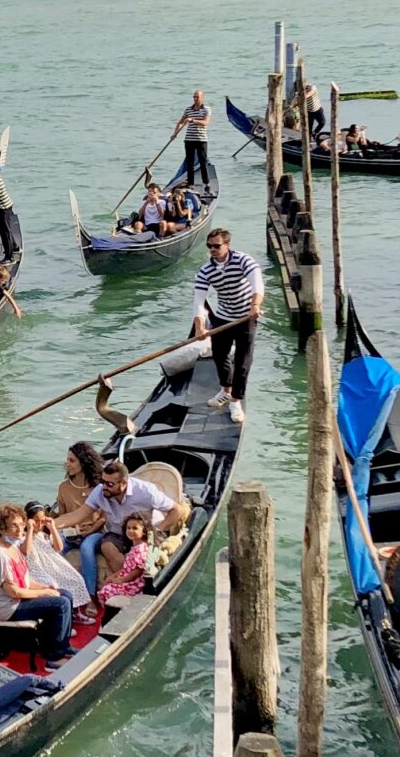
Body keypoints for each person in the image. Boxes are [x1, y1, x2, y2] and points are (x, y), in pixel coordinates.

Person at [55, 454, 174, 599]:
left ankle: (141, 584)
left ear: (123, 483)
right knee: (107, 546)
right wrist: (50, 524)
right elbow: (76, 516)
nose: (104, 487)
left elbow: (177, 510)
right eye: (103, 481)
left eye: (110, 484)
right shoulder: (99, 492)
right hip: (118, 533)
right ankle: (126, 585)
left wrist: (158, 531)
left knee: (145, 554)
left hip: (145, 533)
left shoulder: (146, 491)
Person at [0, 503, 75, 662]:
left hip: (19, 598)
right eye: (14, 526)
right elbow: (14, 592)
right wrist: (43, 593)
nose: (20, 529)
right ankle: (53, 657)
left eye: (21, 524)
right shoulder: (0, 555)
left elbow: (24, 580)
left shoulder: (12, 546)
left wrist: (44, 587)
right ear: (2, 529)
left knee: (65, 594)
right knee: (60, 604)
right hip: (9, 607)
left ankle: (63, 645)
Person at [191, 227, 264, 424]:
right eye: (209, 246)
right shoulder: (206, 270)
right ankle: (226, 390)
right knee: (219, 355)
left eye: (216, 246)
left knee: (242, 361)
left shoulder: (243, 261)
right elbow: (198, 300)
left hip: (246, 317)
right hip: (223, 317)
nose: (212, 250)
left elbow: (257, 284)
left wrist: (255, 305)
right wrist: (199, 327)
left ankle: (236, 401)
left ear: (227, 245)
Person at [95, 514, 154, 611]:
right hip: (127, 579)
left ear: (144, 531)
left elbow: (138, 570)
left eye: (135, 528)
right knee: (106, 586)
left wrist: (122, 580)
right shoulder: (134, 547)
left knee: (106, 591)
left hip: (134, 584)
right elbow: (127, 567)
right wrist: (114, 576)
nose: (130, 531)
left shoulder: (141, 549)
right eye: (128, 528)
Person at [54, 441, 107, 534]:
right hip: (71, 532)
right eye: (67, 460)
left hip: (94, 531)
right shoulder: (63, 487)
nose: (67, 464)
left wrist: (90, 530)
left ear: (83, 463)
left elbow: (104, 517)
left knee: (87, 548)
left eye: (72, 461)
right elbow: (62, 515)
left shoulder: (99, 487)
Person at [171, 88, 215, 191]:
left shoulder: (206, 109)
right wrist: (175, 134)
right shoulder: (188, 110)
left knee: (203, 161)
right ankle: (190, 183)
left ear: (202, 98)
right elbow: (180, 122)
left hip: (201, 139)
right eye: (194, 97)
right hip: (189, 139)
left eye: (197, 97)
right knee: (189, 162)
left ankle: (206, 183)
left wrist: (192, 120)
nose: (195, 99)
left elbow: (206, 122)